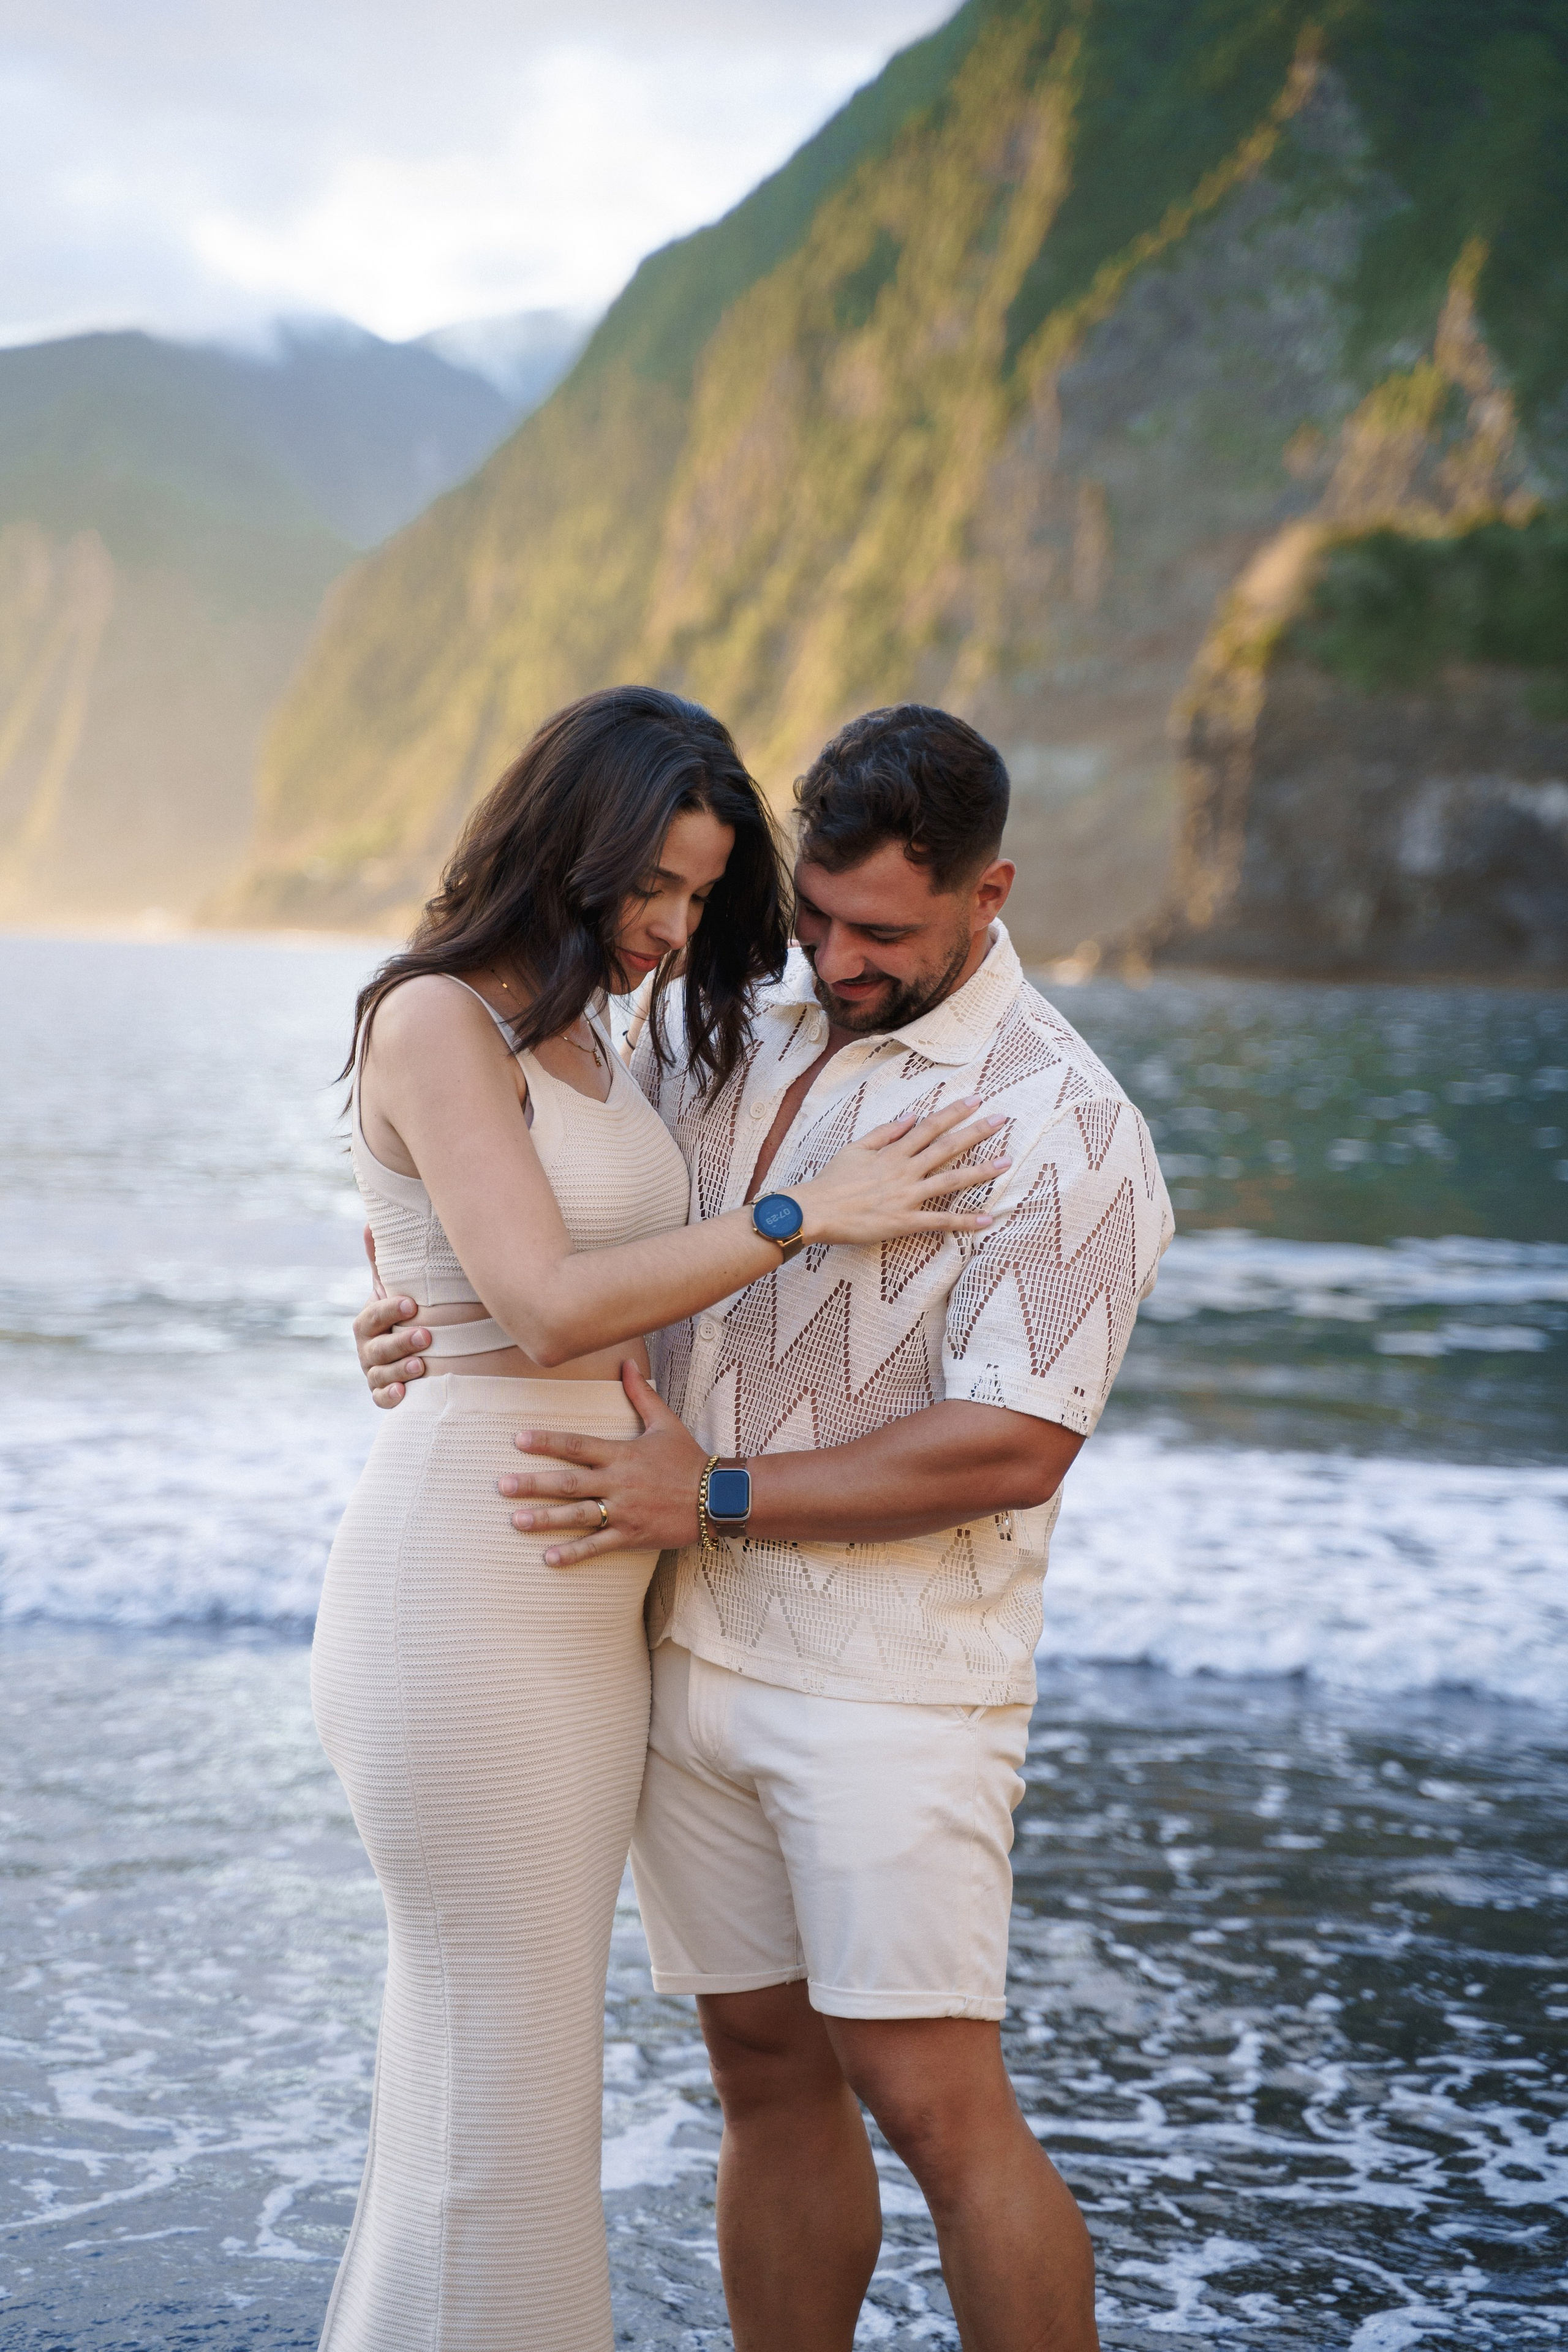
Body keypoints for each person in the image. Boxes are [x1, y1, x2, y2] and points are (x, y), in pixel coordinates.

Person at [358, 703, 1174, 2352]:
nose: (837, 957)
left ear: (989, 894)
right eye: (815, 915)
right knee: (762, 2073)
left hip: (891, 1678)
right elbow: (557, 1217)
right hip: (667, 1646)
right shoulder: (732, 1030)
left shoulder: (1066, 1127)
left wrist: (717, 1492)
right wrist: (410, 1313)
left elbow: (1015, 1445)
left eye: (882, 931)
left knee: (936, 2102)